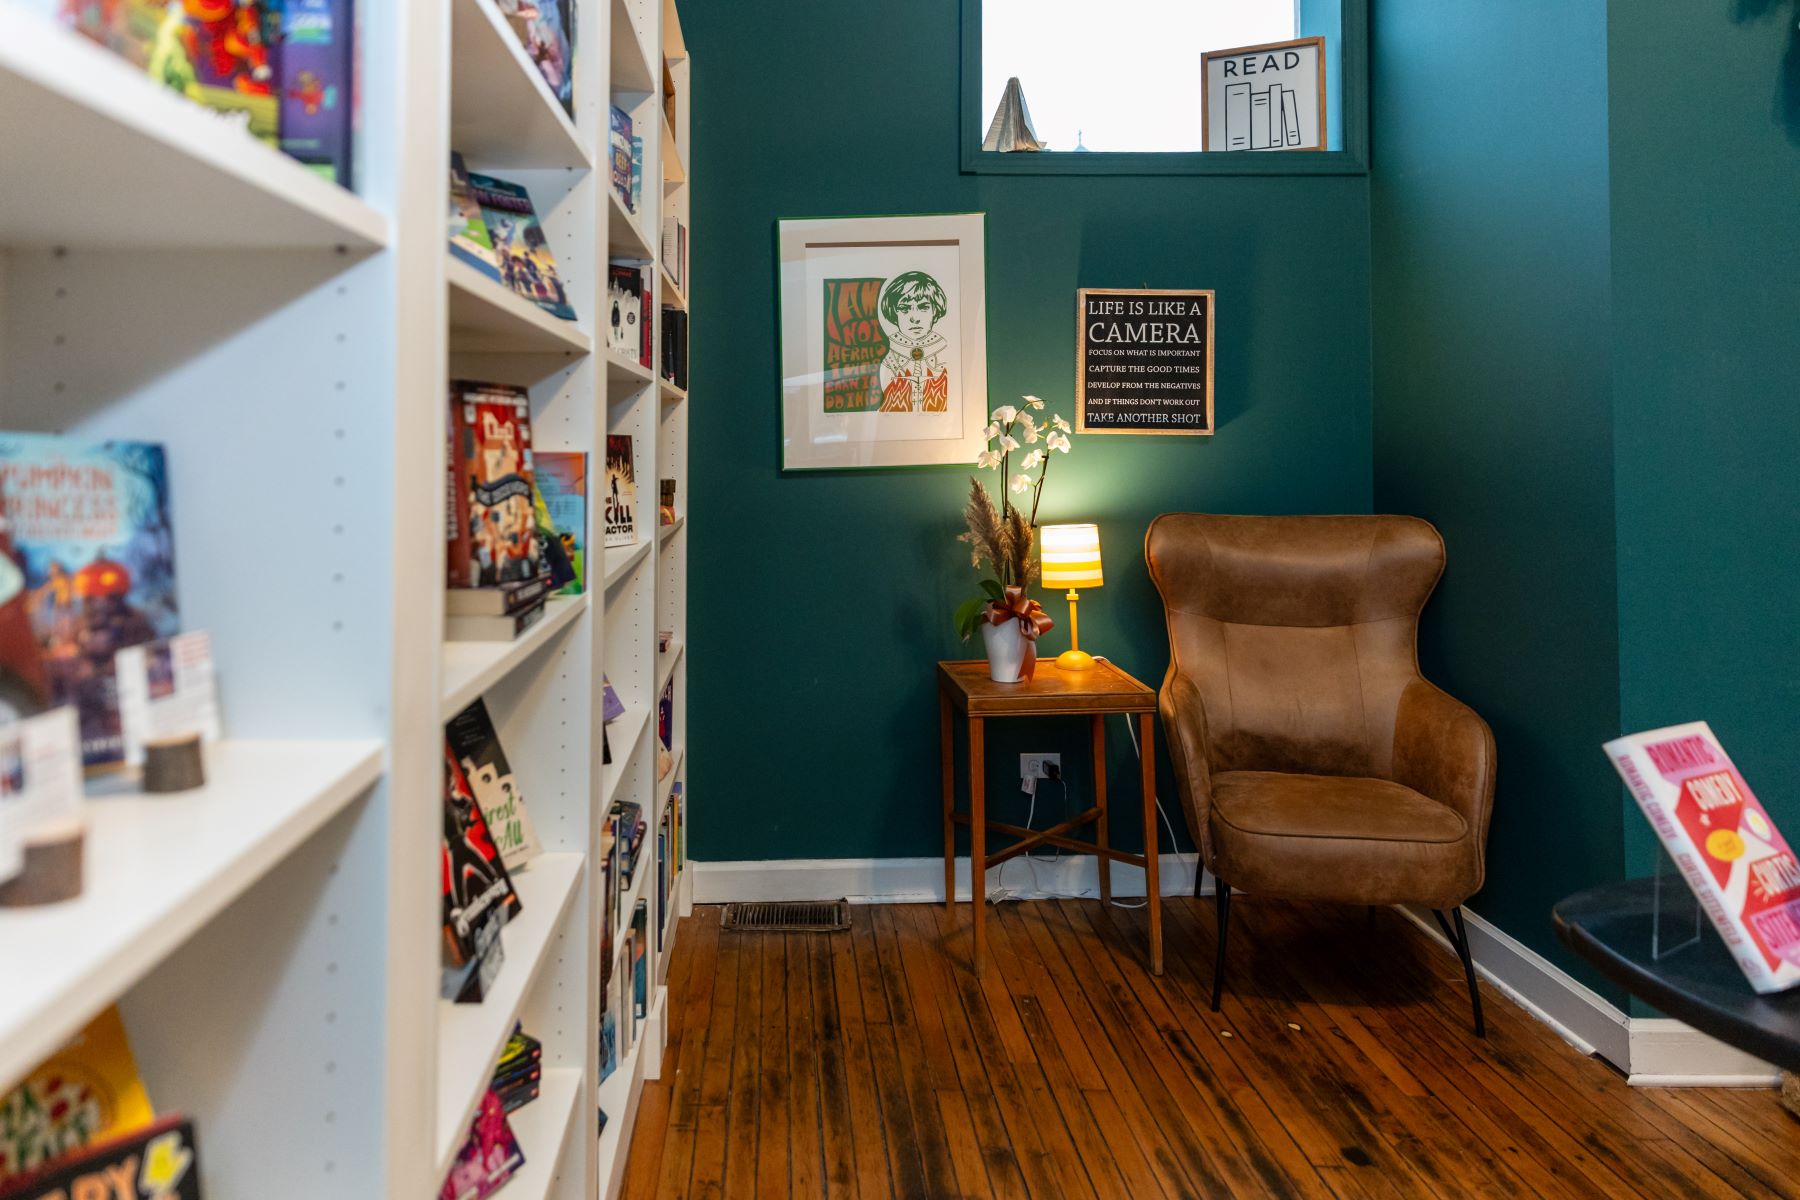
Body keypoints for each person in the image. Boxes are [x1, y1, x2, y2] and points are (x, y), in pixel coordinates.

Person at [877, 271, 950, 412]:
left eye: (923, 308)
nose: (914, 318)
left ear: (936, 310)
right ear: (894, 312)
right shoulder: (886, 353)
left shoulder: (946, 351)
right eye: (904, 309)